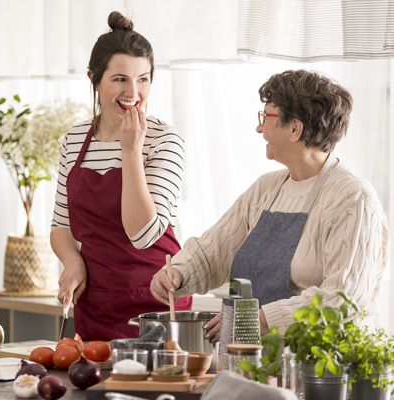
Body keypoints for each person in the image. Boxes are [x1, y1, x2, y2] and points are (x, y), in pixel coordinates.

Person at [150, 70, 389, 340]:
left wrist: (264, 319)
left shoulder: (353, 198)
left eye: (266, 117)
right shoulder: (267, 188)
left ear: (295, 129)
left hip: (313, 371)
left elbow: (345, 299)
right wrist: (179, 274)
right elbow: (213, 252)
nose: (259, 128)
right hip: (250, 360)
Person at [50, 11, 192, 341]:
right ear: (94, 79)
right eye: (120, 79)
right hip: (96, 304)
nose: (134, 91)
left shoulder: (163, 140)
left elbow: (143, 234)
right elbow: (60, 226)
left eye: (144, 79)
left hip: (157, 304)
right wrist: (73, 262)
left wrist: (130, 151)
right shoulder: (74, 140)